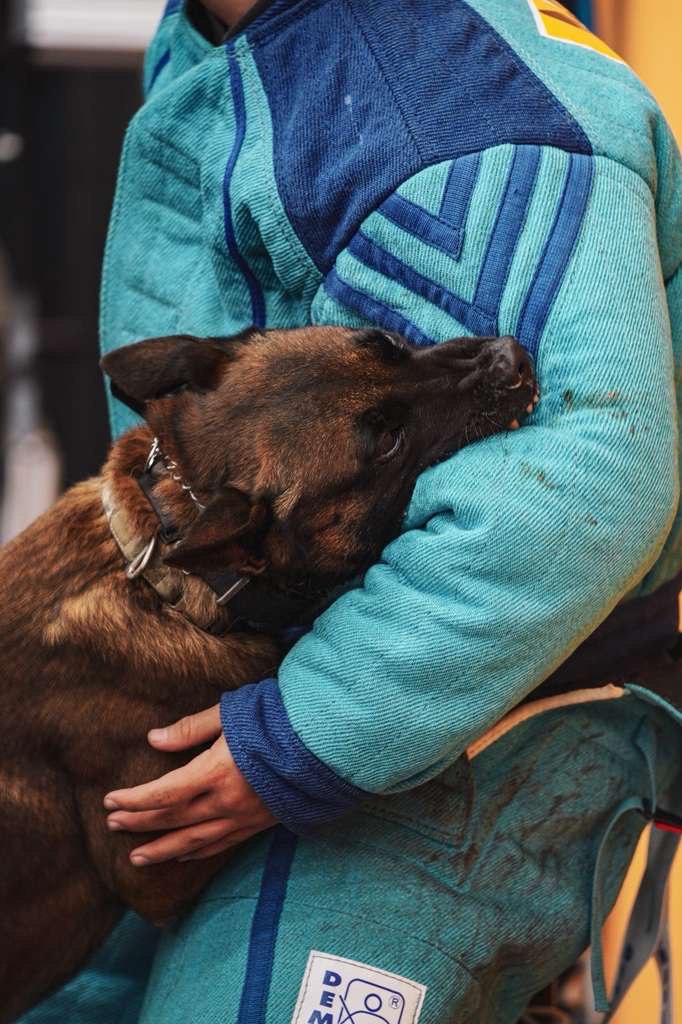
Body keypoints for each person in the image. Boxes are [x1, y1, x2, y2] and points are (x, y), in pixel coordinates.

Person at [21, 1, 681, 1022]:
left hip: (484, 702)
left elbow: (584, 479)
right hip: (295, 676)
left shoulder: (443, 105)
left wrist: (296, 737)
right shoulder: (216, 32)